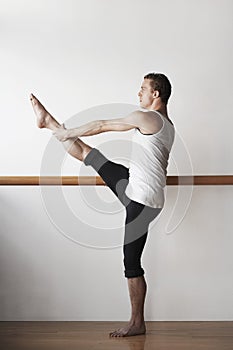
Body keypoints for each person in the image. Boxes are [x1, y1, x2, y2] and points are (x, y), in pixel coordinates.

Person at [30, 72, 175, 337]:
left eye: (143, 88)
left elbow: (102, 125)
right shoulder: (167, 123)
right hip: (134, 187)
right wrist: (61, 131)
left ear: (156, 94)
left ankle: (137, 323)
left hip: (141, 201)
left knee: (131, 263)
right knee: (89, 155)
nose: (138, 93)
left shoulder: (150, 117)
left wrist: (68, 132)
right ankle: (48, 122)